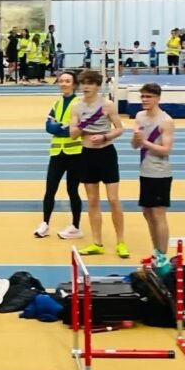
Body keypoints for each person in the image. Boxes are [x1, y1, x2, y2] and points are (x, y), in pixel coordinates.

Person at [69, 69, 128, 259]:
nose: (86, 87)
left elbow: (119, 129)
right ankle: (97, 242)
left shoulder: (108, 105)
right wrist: (85, 123)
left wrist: (105, 136)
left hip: (107, 154)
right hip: (87, 155)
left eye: (90, 83)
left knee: (113, 200)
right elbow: (72, 133)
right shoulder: (77, 107)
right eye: (83, 83)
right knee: (93, 201)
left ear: (97, 86)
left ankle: (121, 242)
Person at [34, 71, 82, 240]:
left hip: (75, 152)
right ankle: (45, 223)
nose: (63, 84)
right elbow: (49, 126)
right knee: (50, 189)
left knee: (72, 190)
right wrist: (62, 128)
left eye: (67, 81)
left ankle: (76, 226)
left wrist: (62, 128)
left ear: (74, 84)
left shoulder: (79, 103)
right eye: (61, 81)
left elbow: (77, 128)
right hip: (57, 152)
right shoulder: (57, 103)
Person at [131, 83, 174, 256]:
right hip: (145, 170)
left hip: (160, 172)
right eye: (142, 96)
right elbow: (134, 145)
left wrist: (144, 142)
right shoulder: (140, 116)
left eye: (148, 97)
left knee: (158, 213)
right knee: (147, 213)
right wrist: (136, 139)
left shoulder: (166, 121)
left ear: (158, 98)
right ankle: (156, 250)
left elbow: (166, 150)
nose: (145, 100)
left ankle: (162, 255)